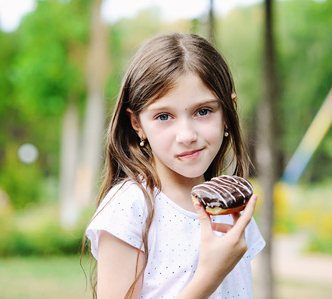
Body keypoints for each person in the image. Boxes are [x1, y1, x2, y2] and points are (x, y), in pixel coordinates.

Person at [85, 32, 265, 299]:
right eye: (164, 116)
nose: (187, 135)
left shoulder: (231, 205)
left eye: (203, 111)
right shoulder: (130, 207)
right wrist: (208, 277)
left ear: (228, 111)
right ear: (137, 123)